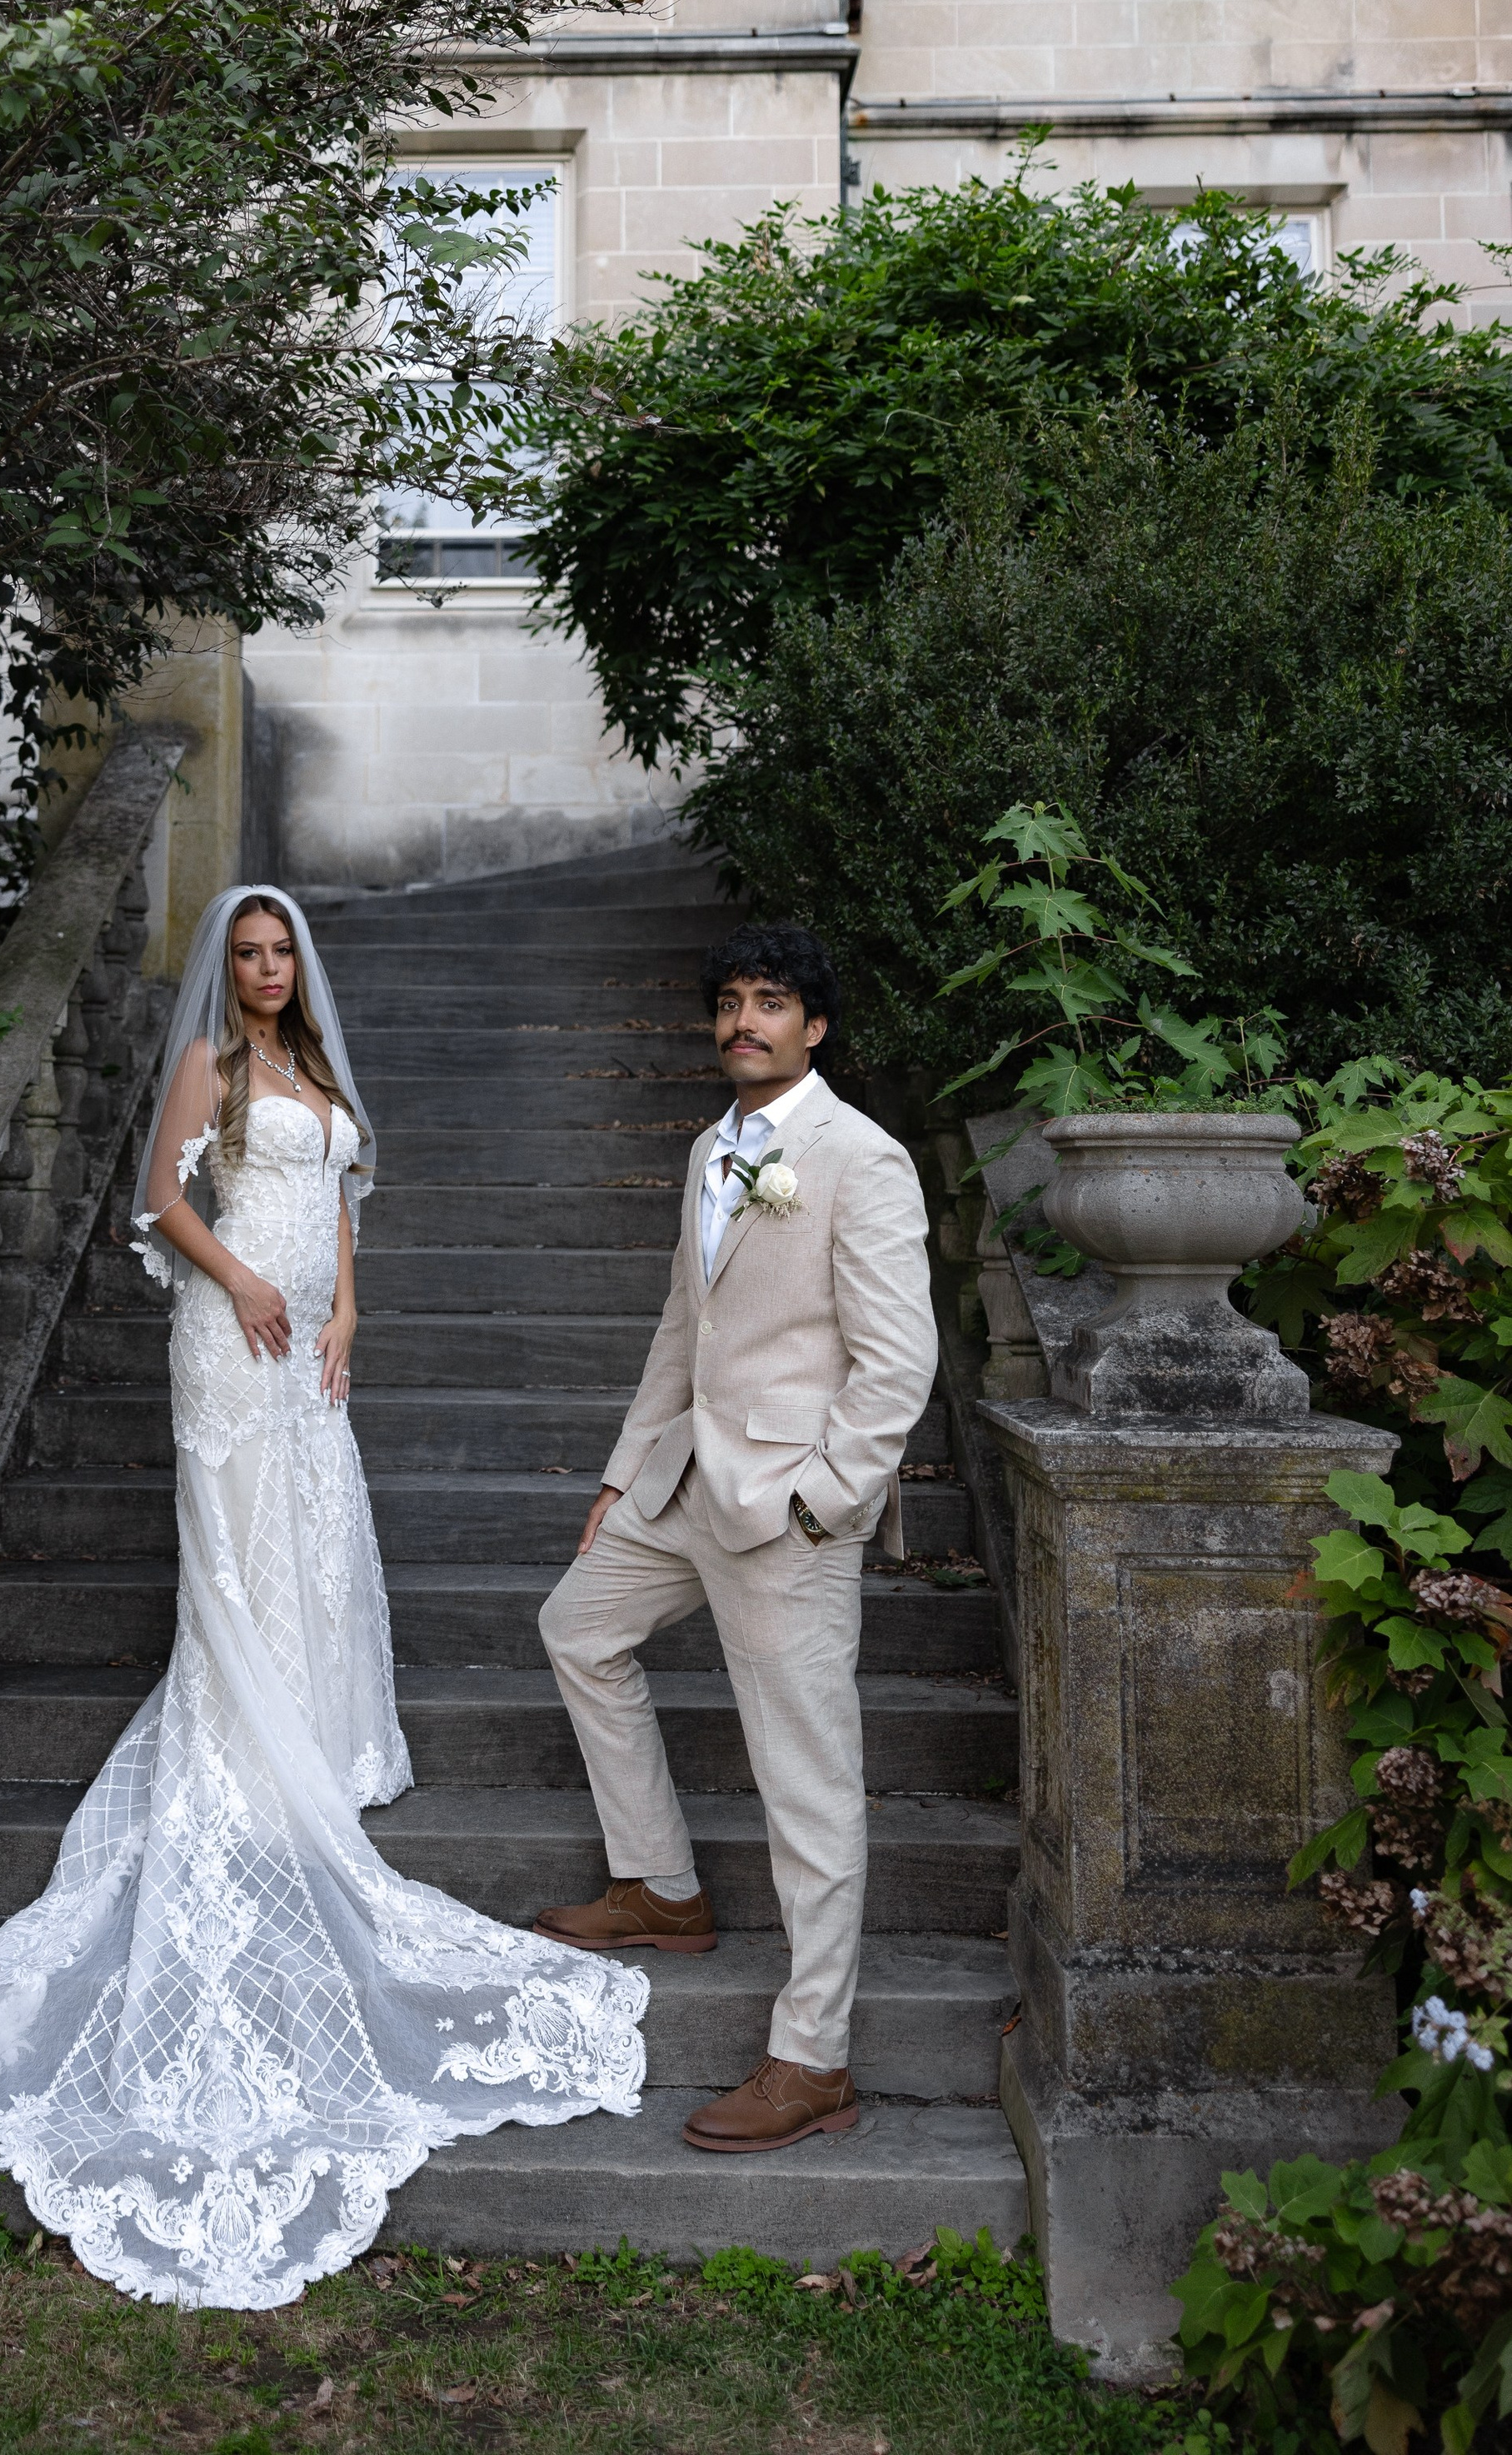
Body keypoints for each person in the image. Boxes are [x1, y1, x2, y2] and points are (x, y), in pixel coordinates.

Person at [0, 886, 646, 2306]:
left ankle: (318, 1725)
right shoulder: (214, 1069)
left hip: (313, 1343)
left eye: (278, 950)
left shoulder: (318, 1073)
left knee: (317, 1531)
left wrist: (348, 1303)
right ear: (225, 972)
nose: (261, 968)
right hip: (227, 1339)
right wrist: (240, 1282)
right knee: (242, 1544)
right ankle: (250, 1740)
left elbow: (343, 1196)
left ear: (300, 965)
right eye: (244, 952)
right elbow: (161, 1197)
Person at [532, 922, 937, 2153]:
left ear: (815, 1025)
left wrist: (827, 1499)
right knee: (576, 1627)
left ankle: (812, 2058)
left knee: (806, 1785)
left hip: (788, 1510)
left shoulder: (860, 1158)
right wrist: (624, 1471)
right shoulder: (712, 1148)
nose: (743, 1020)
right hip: (686, 1487)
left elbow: (897, 1361)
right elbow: (682, 1328)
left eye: (770, 1002)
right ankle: (662, 1883)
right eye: (729, 1001)